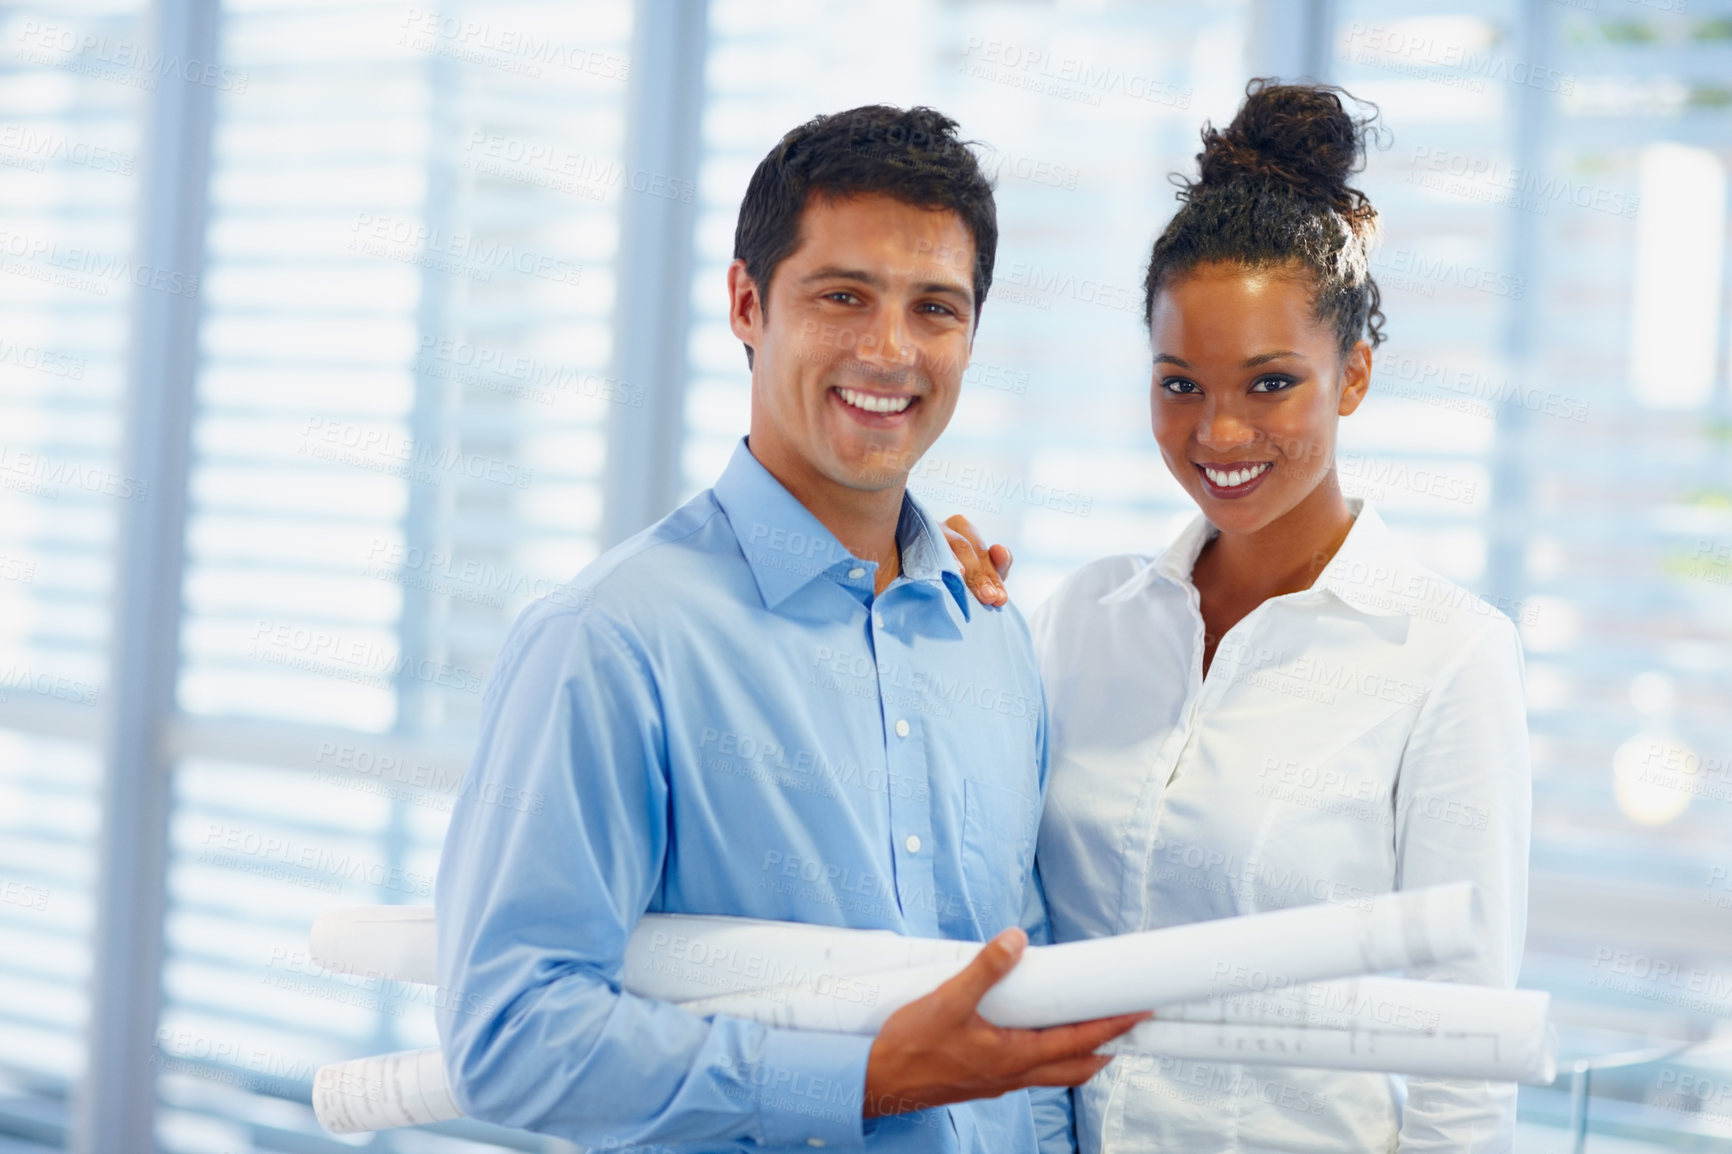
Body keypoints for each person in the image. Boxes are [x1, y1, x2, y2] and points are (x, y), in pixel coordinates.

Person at [434, 104, 1142, 1154]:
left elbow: (1018, 999)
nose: (890, 349)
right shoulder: (608, 642)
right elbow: (509, 1033)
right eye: (842, 295)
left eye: (935, 308)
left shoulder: (986, 631)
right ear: (746, 303)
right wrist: (862, 1079)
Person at [945, 81, 1531, 1153]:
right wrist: (938, 634)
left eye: (1269, 383)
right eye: (1178, 384)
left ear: (1351, 375)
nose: (1218, 430)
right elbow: (980, 893)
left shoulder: (1448, 656)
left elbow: (1464, 1067)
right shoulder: (1082, 617)